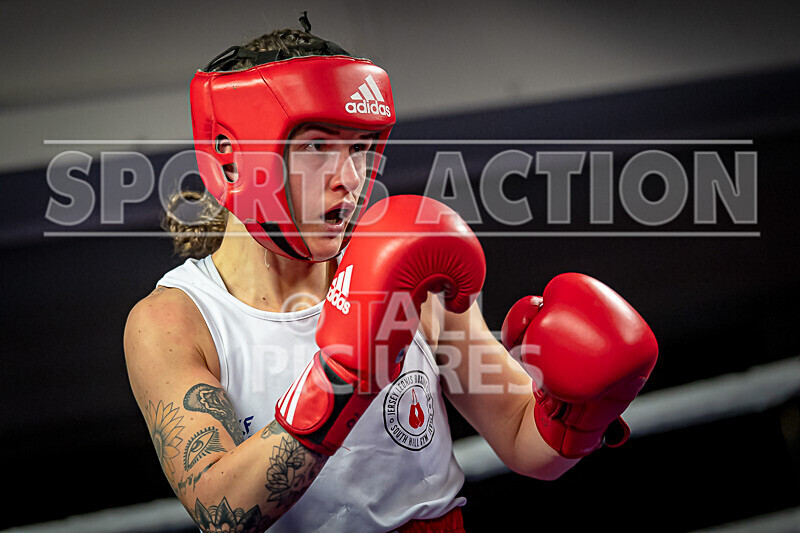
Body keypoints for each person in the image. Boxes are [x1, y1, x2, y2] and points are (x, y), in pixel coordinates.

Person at [124, 22, 658, 533]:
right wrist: (344, 378)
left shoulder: (412, 271)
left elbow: (523, 439)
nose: (350, 179)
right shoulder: (175, 321)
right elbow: (222, 512)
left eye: (359, 147)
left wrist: (577, 415)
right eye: (316, 147)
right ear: (235, 159)